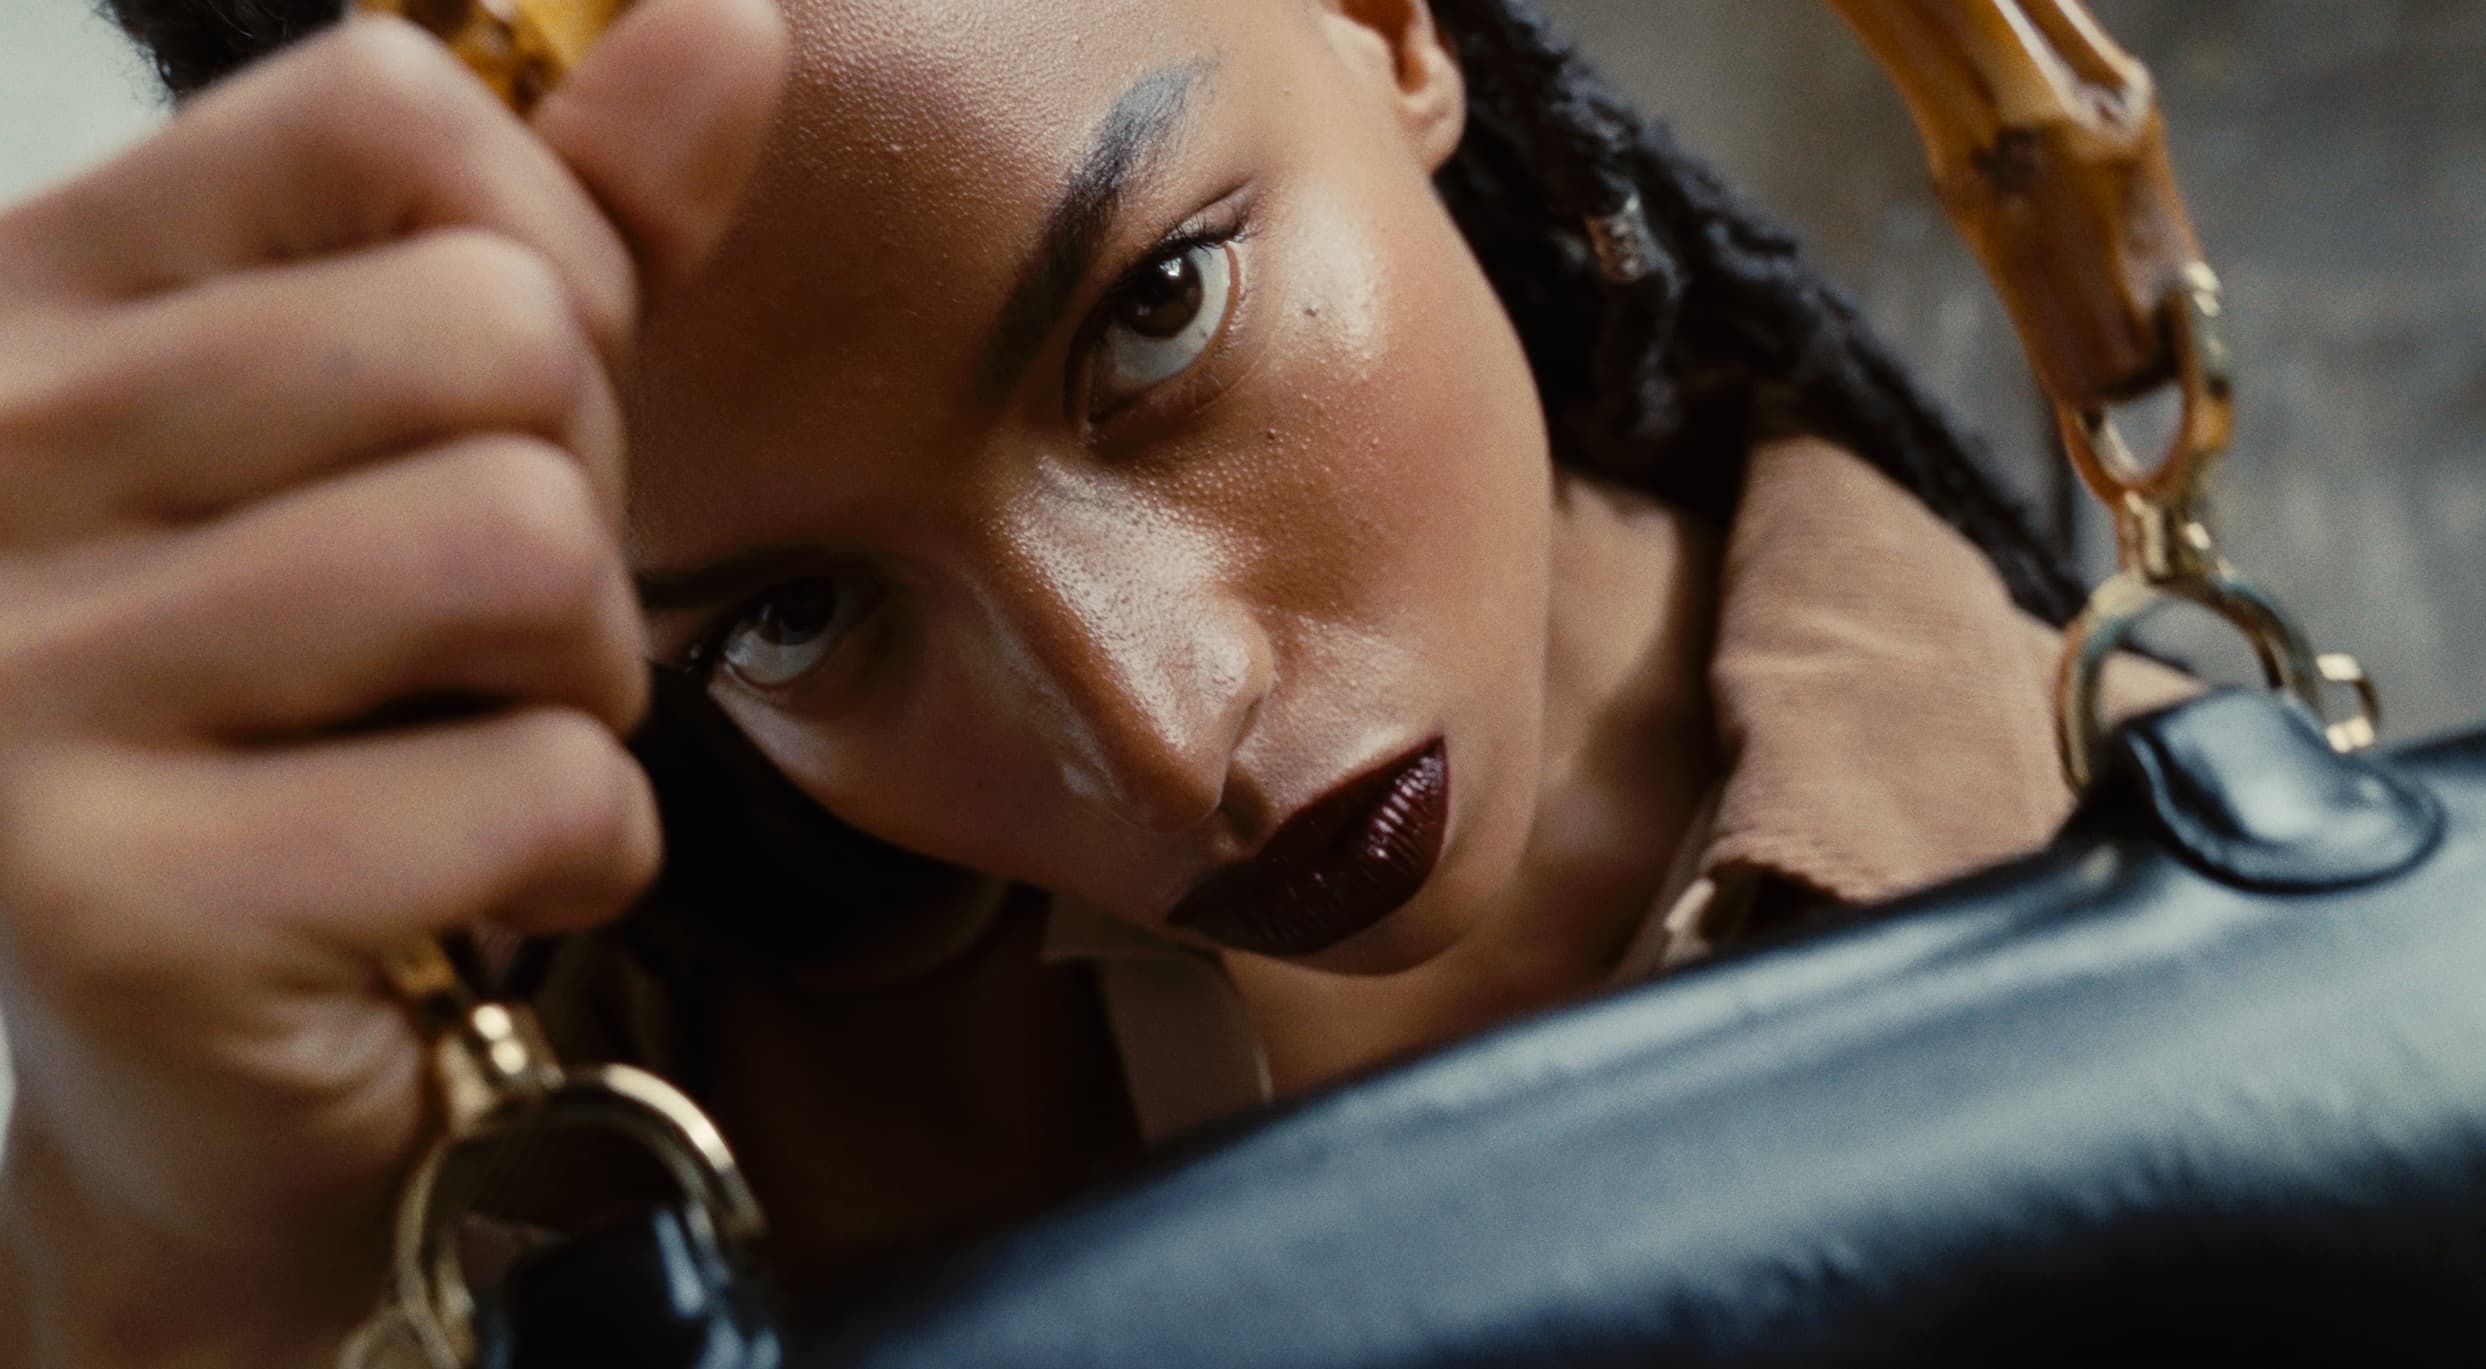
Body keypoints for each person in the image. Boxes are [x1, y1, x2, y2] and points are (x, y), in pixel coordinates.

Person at [0, 0, 2180, 1362]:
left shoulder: (2186, 888)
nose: (1156, 731)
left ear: (1382, 24)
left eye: (1155, 314)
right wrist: (166, 1269)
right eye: (792, 617)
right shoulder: (555, 1181)